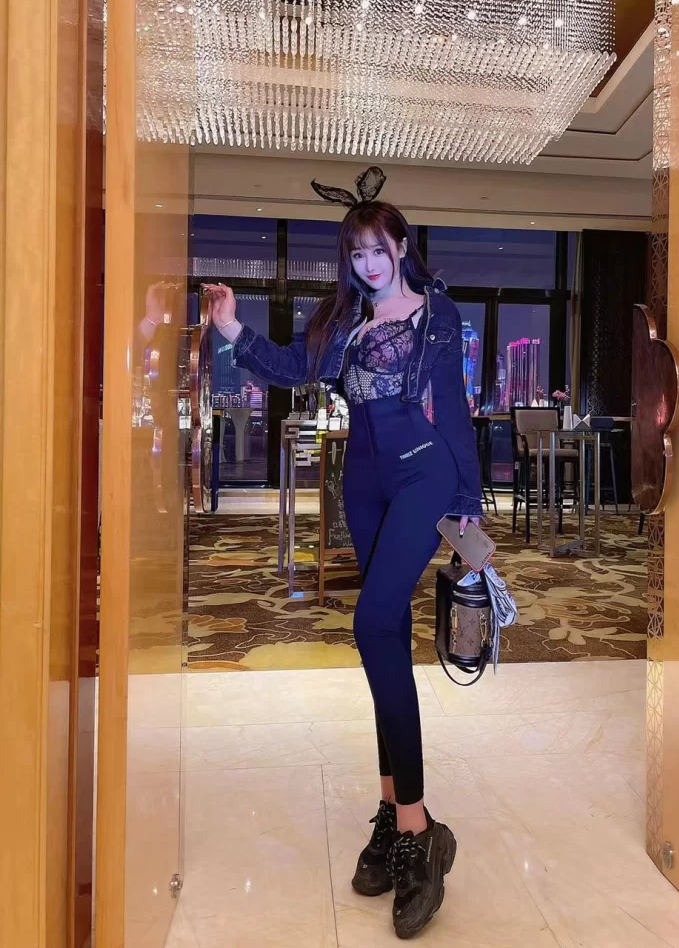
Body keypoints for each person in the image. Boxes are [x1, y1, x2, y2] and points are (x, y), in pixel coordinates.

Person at [205, 172, 482, 940]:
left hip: (424, 470)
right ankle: (394, 812)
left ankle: (420, 830)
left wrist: (469, 500)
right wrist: (232, 329)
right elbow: (292, 368)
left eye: (377, 249)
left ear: (401, 246)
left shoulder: (436, 313)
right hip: (362, 478)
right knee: (384, 636)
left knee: (369, 622)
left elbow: (455, 408)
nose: (367, 263)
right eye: (355, 253)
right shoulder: (341, 320)